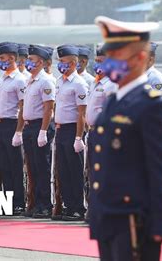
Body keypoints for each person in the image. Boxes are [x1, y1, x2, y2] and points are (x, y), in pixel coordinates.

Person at [89, 16, 162, 260]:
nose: (109, 63)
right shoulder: (114, 102)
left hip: (134, 219)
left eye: (117, 55)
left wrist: (159, 227)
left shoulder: (152, 106)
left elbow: (161, 171)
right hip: (108, 216)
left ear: (140, 58)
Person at [54, 44, 88, 221]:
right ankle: (68, 205)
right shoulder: (59, 81)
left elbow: (82, 112)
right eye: (59, 61)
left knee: (75, 171)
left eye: (64, 62)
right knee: (63, 170)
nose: (60, 65)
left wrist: (78, 137)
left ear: (74, 63)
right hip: (60, 129)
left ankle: (78, 208)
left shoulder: (79, 83)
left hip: (72, 129)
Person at [22, 45, 56, 219]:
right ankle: (35, 203)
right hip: (29, 127)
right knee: (33, 167)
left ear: (41, 62)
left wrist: (43, 131)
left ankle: (44, 205)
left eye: (32, 60)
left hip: (40, 127)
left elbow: (48, 108)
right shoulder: (30, 80)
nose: (28, 62)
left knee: (42, 167)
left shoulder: (45, 81)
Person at [84, 45, 118, 219]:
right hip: (92, 133)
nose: (97, 64)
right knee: (92, 173)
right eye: (96, 61)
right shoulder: (94, 82)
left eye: (101, 61)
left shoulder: (112, 84)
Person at [0, 42, 26, 215]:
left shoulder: (19, 79)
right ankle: (7, 202)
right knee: (4, 166)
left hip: (12, 124)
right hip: (0, 125)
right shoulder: (3, 78)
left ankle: (18, 202)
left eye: (2, 58)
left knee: (15, 167)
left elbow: (23, 107)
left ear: (12, 58)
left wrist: (19, 131)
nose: (1, 61)